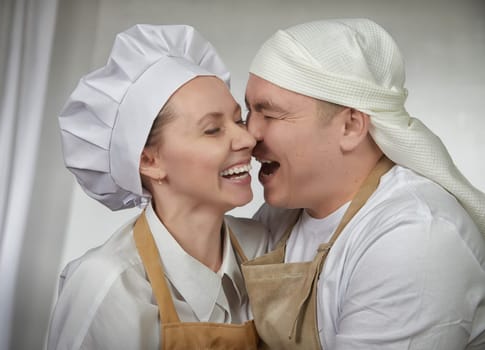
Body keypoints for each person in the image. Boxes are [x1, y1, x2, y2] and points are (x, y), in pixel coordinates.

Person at [241, 18, 485, 349]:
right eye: (248, 111)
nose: (247, 135)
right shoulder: (279, 216)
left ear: (351, 126)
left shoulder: (415, 237)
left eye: (270, 114)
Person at [47, 24, 267, 350]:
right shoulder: (109, 283)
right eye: (212, 130)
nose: (247, 139)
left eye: (238, 120)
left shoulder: (265, 248)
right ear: (150, 161)